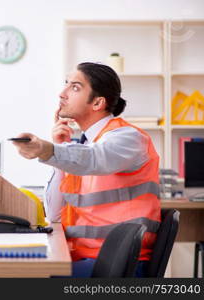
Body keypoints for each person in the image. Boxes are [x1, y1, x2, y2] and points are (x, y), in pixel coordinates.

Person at [12, 62, 161, 277]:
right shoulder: (81, 149)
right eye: (66, 84)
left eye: (75, 87)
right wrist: (59, 148)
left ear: (98, 102)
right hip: (87, 258)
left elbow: (96, 158)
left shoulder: (128, 138)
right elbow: (54, 214)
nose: (62, 94)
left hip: (116, 265)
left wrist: (47, 150)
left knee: (21, 276)